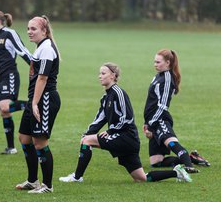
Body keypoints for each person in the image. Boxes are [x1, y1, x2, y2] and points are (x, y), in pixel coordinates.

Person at [59, 63, 192, 184]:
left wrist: (110, 131)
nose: (100, 76)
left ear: (113, 76)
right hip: (125, 141)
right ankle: (177, 172)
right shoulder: (106, 97)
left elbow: (127, 118)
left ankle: (77, 177)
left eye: (103, 73)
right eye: (99, 73)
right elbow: (99, 119)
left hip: (126, 137)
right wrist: (87, 133)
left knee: (87, 142)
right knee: (141, 178)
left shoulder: (119, 93)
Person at [15, 15, 61, 193]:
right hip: (35, 99)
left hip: (45, 99)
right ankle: (33, 180)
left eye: (33, 29)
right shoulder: (40, 47)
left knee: (40, 142)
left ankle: (47, 185)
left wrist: (34, 103)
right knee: (24, 138)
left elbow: (42, 78)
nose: (29, 32)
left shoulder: (47, 48)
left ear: (44, 31)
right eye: (28, 28)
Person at [142, 49, 206, 172]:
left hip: (159, 118)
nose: (155, 64)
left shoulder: (167, 79)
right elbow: (151, 101)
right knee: (156, 163)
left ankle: (189, 166)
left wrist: (151, 124)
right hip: (152, 120)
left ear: (168, 63)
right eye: (154, 62)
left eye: (158, 62)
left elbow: (163, 105)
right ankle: (192, 158)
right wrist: (147, 122)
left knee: (171, 143)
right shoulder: (158, 76)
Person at [0, 10, 32, 155]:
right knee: (4, 113)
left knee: (5, 108)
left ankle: (32, 105)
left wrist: (37, 69)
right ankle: (11, 147)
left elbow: (23, 51)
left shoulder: (9, 34)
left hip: (9, 76)